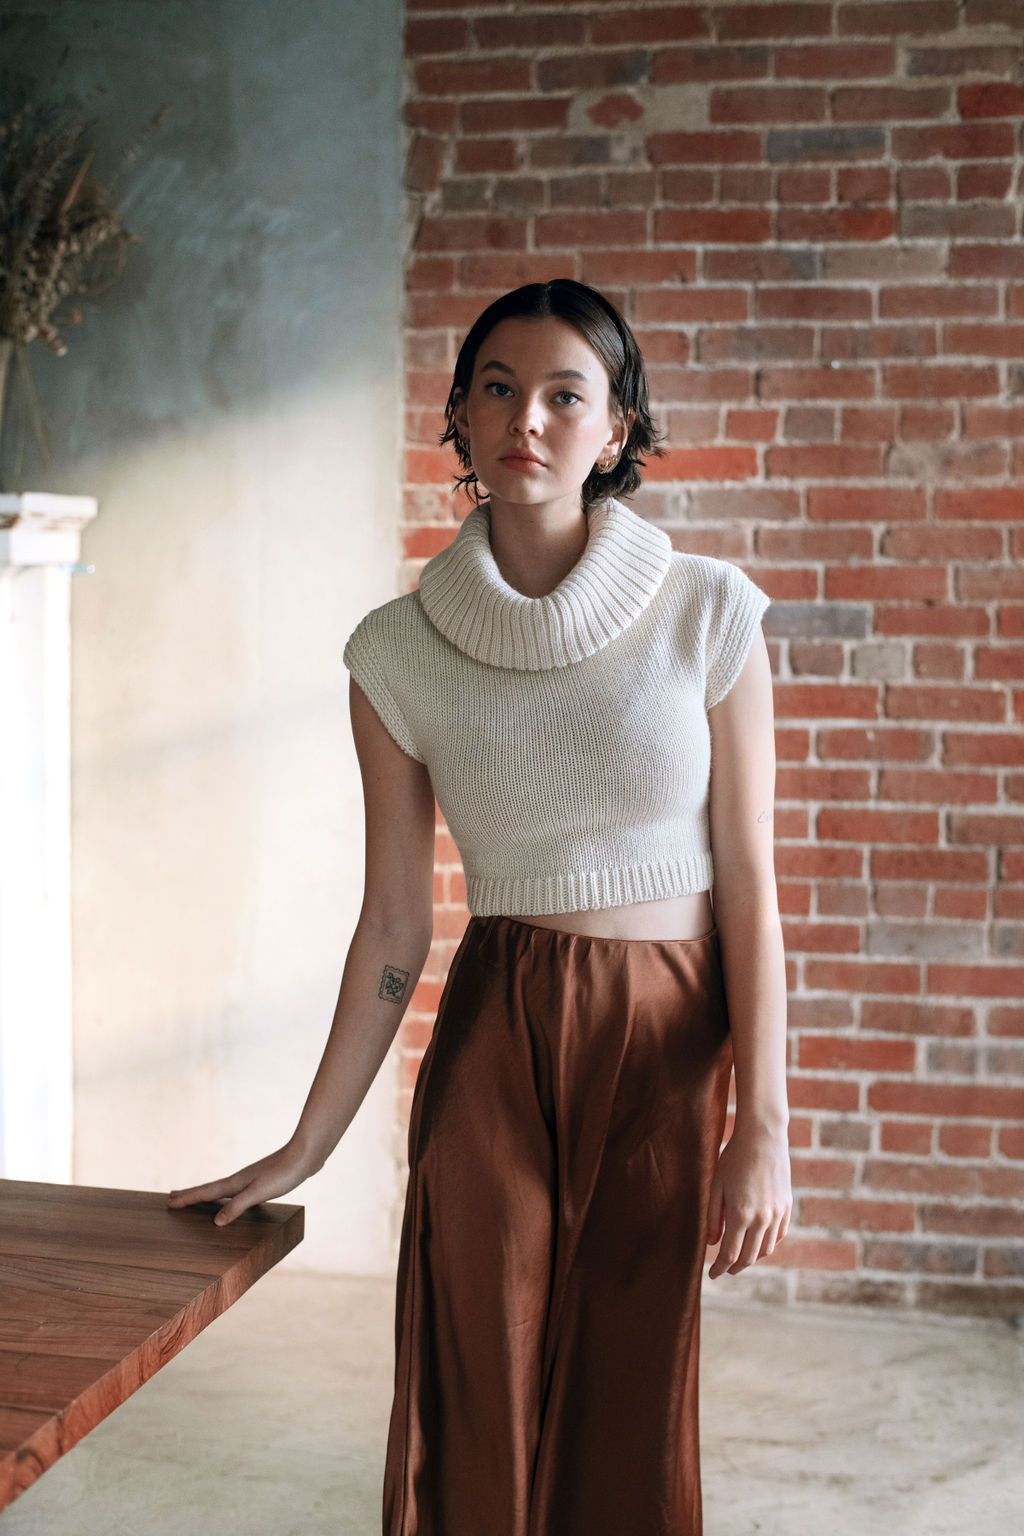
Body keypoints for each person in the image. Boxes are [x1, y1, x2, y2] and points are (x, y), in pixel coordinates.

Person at [167, 277, 792, 1536]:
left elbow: (751, 889)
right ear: (457, 413)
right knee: (473, 1392)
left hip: (669, 1044)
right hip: (496, 1036)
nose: (530, 417)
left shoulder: (707, 611)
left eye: (569, 394)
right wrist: (308, 1144)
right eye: (498, 388)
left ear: (614, 431)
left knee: (628, 1397)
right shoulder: (392, 652)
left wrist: (763, 1125)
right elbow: (394, 925)